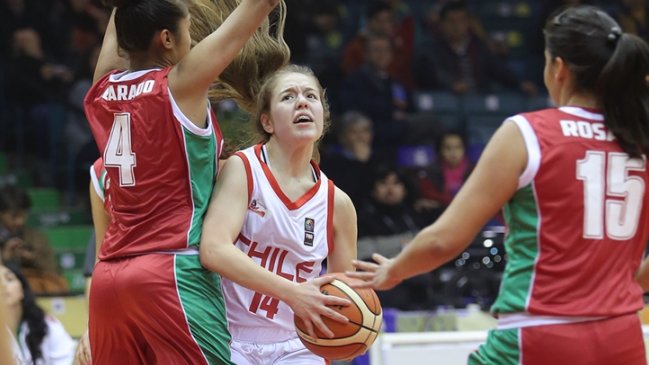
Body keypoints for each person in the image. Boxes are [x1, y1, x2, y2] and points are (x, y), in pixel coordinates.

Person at [350, 5, 649, 365]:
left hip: (539, 335)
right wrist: (617, 288)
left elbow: (446, 238)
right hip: (622, 338)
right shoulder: (639, 140)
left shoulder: (529, 134)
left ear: (558, 69)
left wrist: (393, 270)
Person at [83, 0, 290, 363]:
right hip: (171, 269)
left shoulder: (101, 88)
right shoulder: (179, 86)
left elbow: (123, 18)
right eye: (188, 30)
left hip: (108, 279)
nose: (193, 41)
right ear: (166, 38)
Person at [199, 64, 357, 364]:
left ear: (323, 118)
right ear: (267, 122)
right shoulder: (243, 169)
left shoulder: (339, 204)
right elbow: (213, 249)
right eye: (288, 97)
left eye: (311, 96)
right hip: (230, 337)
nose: (302, 102)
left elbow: (342, 299)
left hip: (299, 344)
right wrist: (293, 293)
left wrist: (353, 328)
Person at [2, 264, 76, 365]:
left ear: (22, 289)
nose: (3, 286)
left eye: (9, 279)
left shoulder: (47, 323)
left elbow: (67, 359)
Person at [0, 185, 68, 295]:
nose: (20, 221)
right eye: (14, 216)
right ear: (1, 214)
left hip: (34, 298)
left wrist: (33, 259)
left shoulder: (37, 238)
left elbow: (54, 274)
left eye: (23, 215)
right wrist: (5, 259)